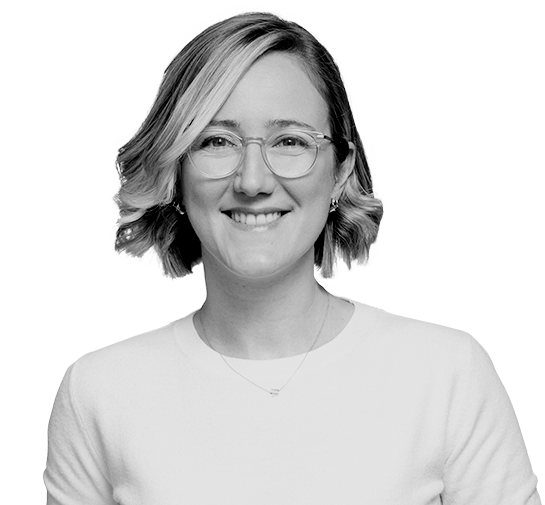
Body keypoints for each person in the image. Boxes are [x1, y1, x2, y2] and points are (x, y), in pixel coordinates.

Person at [44, 7, 540, 504]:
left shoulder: (446, 374)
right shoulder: (100, 392)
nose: (253, 181)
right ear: (174, 168)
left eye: (290, 141)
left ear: (340, 170)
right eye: (216, 141)